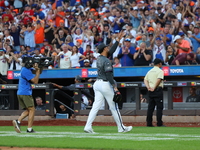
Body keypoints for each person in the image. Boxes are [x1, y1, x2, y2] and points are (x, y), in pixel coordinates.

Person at [84, 31, 132, 133]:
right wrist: (114, 86)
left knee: (95, 107)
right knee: (114, 106)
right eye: (106, 47)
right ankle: (121, 128)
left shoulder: (99, 58)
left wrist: (118, 40)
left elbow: (112, 51)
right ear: (104, 49)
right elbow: (109, 75)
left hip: (97, 84)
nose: (108, 48)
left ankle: (88, 126)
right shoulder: (106, 61)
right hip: (105, 83)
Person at [12, 57, 42, 133]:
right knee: (32, 109)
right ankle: (29, 128)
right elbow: (35, 81)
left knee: (29, 110)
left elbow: (38, 72)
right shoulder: (25, 70)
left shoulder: (26, 69)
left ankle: (18, 121)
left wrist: (40, 67)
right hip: (25, 92)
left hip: (21, 92)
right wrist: (38, 71)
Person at [144, 58, 165, 127]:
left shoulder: (150, 71)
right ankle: (159, 123)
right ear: (159, 64)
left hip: (150, 91)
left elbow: (145, 80)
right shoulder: (160, 71)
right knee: (159, 108)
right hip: (157, 90)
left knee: (150, 108)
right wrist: (154, 87)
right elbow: (159, 80)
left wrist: (148, 87)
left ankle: (149, 123)